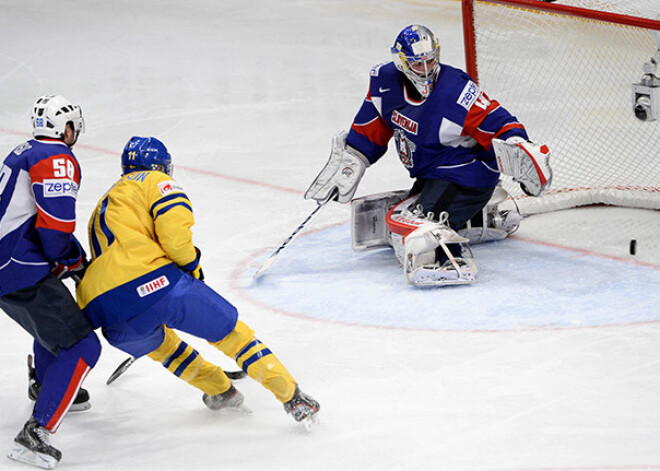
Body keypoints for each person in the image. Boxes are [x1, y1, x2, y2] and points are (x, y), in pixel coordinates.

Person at [76, 136, 319, 430]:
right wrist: (192, 267)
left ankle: (221, 390)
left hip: (105, 309)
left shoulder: (104, 201)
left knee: (165, 349)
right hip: (157, 283)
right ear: (160, 164)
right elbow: (175, 236)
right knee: (231, 333)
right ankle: (293, 398)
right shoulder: (155, 181)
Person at [305, 24, 552, 286]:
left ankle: (448, 256)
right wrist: (351, 159)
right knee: (406, 218)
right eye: (416, 64)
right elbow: (370, 126)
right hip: (433, 172)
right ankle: (478, 217)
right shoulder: (385, 83)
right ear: (401, 62)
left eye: (430, 61)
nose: (425, 71)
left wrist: (518, 144)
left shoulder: (455, 90)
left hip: (468, 175)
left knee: (420, 222)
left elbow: (496, 120)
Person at [0, 95, 101, 469]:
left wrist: (64, 259)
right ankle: (36, 433)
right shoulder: (56, 157)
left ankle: (47, 385)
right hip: (14, 263)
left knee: (53, 322)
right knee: (83, 345)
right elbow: (54, 227)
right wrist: (71, 259)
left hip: (8, 259)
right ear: (67, 128)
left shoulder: (23, 149)